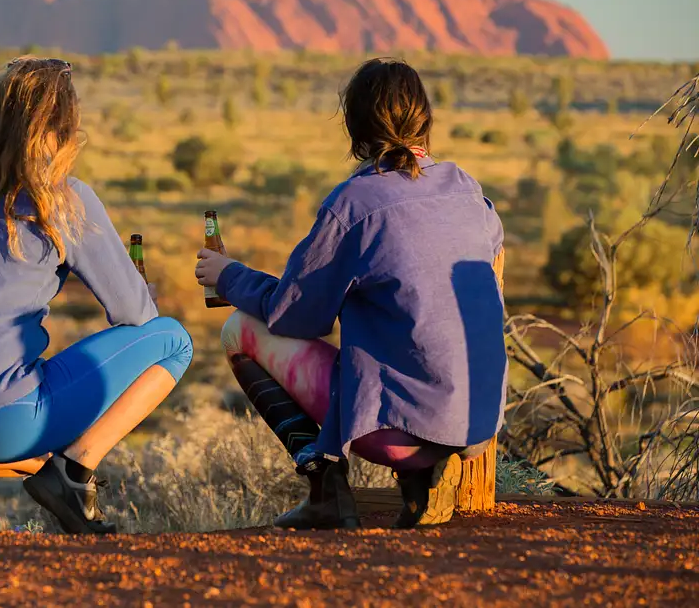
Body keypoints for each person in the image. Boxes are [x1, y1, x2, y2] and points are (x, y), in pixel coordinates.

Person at [195, 58, 507, 530]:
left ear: (355, 127)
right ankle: (425, 479)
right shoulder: (467, 188)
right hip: (478, 421)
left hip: (398, 433)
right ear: (425, 119)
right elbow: (487, 250)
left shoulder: (354, 204)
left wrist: (229, 276)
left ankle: (326, 487)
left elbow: (292, 316)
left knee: (239, 330)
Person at [0, 57, 193, 535]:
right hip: (7, 422)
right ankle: (73, 473)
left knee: (11, 374)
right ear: (63, 131)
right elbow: (133, 313)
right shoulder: (65, 200)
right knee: (173, 341)